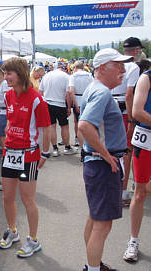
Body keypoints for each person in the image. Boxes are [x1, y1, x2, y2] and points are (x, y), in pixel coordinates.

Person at [78, 48, 133, 271]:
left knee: (95, 218)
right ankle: (92, 268)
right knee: (102, 224)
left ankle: (93, 264)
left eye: (123, 65)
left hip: (96, 163)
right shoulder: (101, 92)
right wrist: (106, 154)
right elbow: (84, 126)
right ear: (102, 68)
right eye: (117, 65)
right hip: (101, 165)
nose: (123, 70)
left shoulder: (95, 89)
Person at [0, 57, 51, 258]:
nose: (6, 77)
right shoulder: (8, 95)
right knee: (7, 197)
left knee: (27, 199)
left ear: (19, 74)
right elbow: (11, 122)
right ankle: (13, 231)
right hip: (10, 152)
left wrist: (44, 154)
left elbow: (46, 129)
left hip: (28, 155)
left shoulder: (36, 98)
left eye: (9, 73)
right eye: (4, 73)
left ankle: (33, 240)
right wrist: (8, 142)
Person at [123, 69, 151, 263]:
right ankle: (133, 241)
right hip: (146, 139)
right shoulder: (146, 77)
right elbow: (137, 111)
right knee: (140, 192)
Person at [111, 37, 143, 207]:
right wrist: (131, 119)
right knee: (126, 153)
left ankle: (114, 189)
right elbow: (130, 94)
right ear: (136, 50)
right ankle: (122, 193)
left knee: (112, 150)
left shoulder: (115, 63)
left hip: (110, 108)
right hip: (123, 111)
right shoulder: (133, 67)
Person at [39, 61, 77, 156]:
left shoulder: (46, 76)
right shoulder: (65, 77)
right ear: (64, 68)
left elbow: (40, 91)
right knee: (64, 126)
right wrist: (69, 107)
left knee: (52, 126)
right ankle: (67, 147)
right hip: (60, 104)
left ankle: (55, 148)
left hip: (47, 103)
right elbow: (68, 93)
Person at [0, 60, 12, 190]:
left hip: (5, 116)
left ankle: (7, 179)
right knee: (7, 148)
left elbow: (9, 102)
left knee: (7, 149)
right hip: (3, 115)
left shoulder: (5, 83)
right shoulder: (4, 83)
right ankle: (8, 178)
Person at [69, 60, 94, 147]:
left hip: (78, 99)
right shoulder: (89, 75)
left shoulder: (73, 76)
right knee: (88, 121)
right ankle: (88, 140)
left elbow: (71, 91)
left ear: (75, 68)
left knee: (77, 122)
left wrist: (75, 104)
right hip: (88, 100)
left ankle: (77, 139)